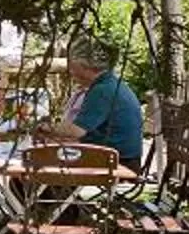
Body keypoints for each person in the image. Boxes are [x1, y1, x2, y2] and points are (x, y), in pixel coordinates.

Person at [46, 39, 146, 168]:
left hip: (115, 160)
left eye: (72, 65)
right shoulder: (110, 83)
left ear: (84, 65)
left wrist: (45, 127)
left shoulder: (102, 90)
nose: (71, 71)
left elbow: (76, 131)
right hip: (119, 156)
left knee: (43, 159)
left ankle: (37, 185)